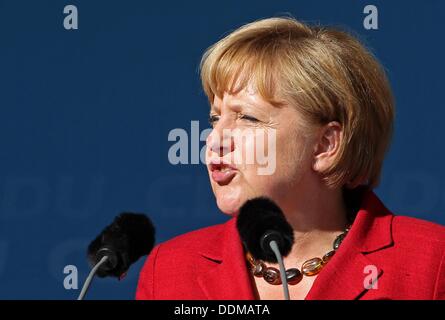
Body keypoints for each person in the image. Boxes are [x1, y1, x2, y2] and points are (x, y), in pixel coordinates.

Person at [136, 17, 445, 300]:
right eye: (215, 119)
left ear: (326, 145)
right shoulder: (168, 272)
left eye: (247, 119)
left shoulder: (432, 263)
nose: (215, 140)